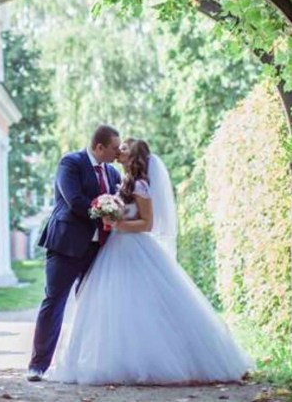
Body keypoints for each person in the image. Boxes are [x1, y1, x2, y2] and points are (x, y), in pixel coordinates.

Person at [50, 138, 252, 385]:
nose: (118, 151)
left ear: (133, 156)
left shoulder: (141, 185)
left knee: (141, 303)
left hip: (133, 247)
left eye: (123, 148)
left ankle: (156, 361)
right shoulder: (122, 180)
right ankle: (116, 359)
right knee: (114, 305)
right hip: (115, 247)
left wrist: (117, 223)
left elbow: (148, 223)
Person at [26, 124, 123, 382]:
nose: (117, 153)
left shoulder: (113, 173)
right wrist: (106, 211)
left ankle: (84, 363)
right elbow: (74, 200)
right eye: (114, 148)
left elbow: (121, 200)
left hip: (98, 249)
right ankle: (38, 366)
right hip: (65, 244)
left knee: (92, 305)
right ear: (99, 147)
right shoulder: (71, 163)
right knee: (54, 301)